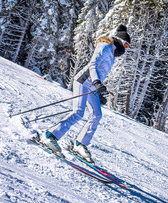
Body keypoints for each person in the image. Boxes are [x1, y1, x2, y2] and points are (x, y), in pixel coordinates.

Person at [40, 24, 131, 163]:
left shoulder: (111, 53)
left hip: (92, 86)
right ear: (119, 41)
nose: (125, 50)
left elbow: (100, 72)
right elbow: (93, 65)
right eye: (126, 46)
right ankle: (50, 136)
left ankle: (80, 144)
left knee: (97, 115)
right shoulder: (105, 46)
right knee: (78, 112)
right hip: (84, 81)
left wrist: (98, 91)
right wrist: (96, 83)